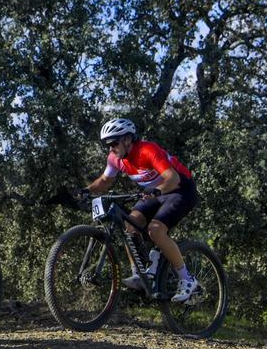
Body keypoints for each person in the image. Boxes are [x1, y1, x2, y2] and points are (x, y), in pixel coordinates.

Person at [82, 118, 201, 302]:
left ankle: (187, 279)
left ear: (128, 139)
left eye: (113, 143)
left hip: (180, 189)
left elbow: (173, 177)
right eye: (107, 144)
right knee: (131, 224)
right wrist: (85, 191)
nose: (110, 148)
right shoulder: (115, 159)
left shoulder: (147, 150)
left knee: (156, 230)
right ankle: (140, 274)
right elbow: (105, 181)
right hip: (156, 193)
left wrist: (157, 191)